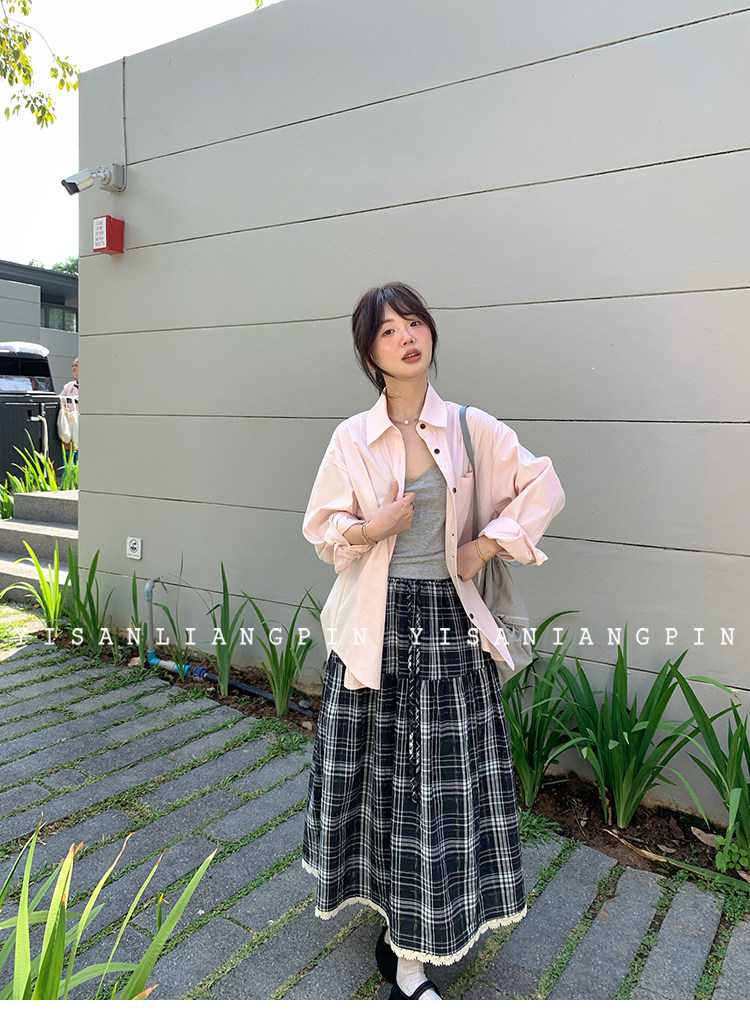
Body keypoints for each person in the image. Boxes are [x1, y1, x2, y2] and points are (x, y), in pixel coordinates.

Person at [301, 282, 565, 1000]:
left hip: (449, 626)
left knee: (437, 788)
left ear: (430, 334)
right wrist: (372, 528)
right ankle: (394, 918)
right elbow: (323, 529)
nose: (406, 337)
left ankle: (410, 961)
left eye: (414, 323)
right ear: (371, 354)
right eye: (388, 331)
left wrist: (486, 544)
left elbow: (543, 487)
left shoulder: (473, 429)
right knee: (378, 777)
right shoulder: (352, 439)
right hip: (374, 628)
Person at [60, 357, 79, 466]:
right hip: (70, 423)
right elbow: (60, 398)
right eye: (73, 365)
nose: (74, 368)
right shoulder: (69, 386)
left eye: (76, 365)